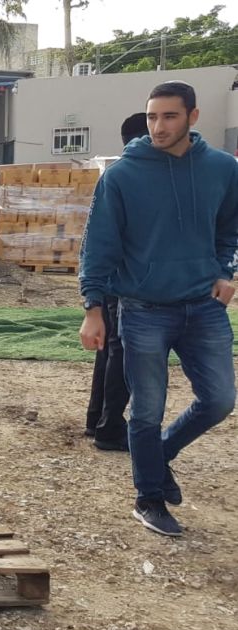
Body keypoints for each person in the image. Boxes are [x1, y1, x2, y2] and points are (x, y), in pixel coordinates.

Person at [79, 82, 238, 537]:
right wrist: (93, 307)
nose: (158, 126)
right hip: (143, 308)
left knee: (220, 400)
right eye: (152, 117)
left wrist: (224, 271)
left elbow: (229, 226)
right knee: (147, 410)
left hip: (203, 306)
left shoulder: (222, 168)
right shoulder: (122, 176)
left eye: (169, 116)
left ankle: (159, 454)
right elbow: (98, 245)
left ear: (193, 116)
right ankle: (148, 498)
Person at [83, 112, 150, 451]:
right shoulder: (132, 177)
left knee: (109, 350)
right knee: (119, 350)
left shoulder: (118, 175)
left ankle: (97, 419)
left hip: (111, 277)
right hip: (125, 279)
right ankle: (109, 427)